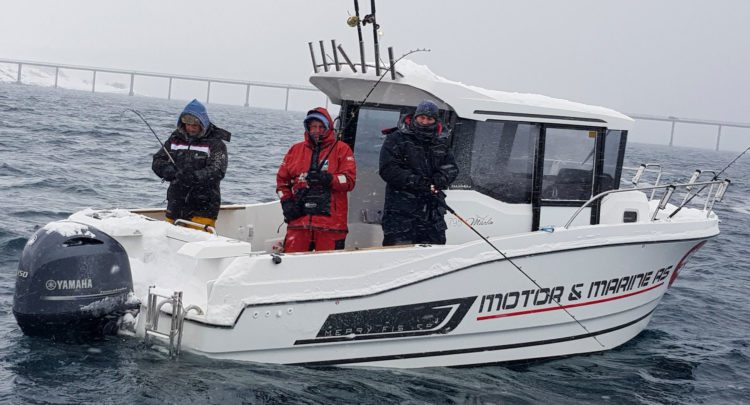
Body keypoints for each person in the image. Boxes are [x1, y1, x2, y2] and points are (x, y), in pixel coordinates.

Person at [276, 107, 356, 253]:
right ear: (307, 127)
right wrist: (286, 203)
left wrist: (328, 178)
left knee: (328, 269)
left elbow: (349, 181)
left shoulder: (342, 149)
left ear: (328, 128)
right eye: (313, 127)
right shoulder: (295, 150)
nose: (316, 131)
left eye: (321, 127)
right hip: (299, 223)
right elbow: (282, 183)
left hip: (331, 225)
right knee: (291, 267)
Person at [379, 100, 458, 246]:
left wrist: (440, 179)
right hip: (400, 212)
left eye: (429, 119)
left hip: (432, 212)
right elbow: (388, 169)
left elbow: (451, 168)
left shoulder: (441, 141)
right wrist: (415, 181)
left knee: (434, 257)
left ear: (435, 120)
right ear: (415, 117)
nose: (425, 122)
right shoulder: (397, 138)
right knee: (397, 256)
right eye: (422, 118)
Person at [152, 99, 231, 231]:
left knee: (198, 242)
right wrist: (167, 170)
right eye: (187, 124)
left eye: (194, 125)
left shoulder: (216, 144)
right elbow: (157, 160)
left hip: (204, 206)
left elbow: (217, 170)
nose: (190, 128)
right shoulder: (174, 139)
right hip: (176, 203)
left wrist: (193, 176)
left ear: (202, 123)